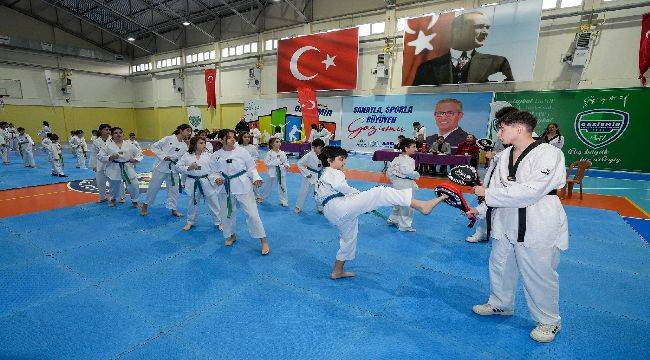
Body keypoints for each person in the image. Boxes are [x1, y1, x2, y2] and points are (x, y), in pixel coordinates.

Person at [465, 111, 567, 343]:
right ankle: (500, 304)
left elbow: (530, 192)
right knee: (500, 264)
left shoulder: (550, 154)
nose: (499, 132)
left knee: (539, 273)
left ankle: (549, 321)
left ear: (519, 128)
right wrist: (479, 211)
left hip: (538, 219)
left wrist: (487, 194)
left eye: (502, 128)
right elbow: (492, 188)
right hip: (506, 219)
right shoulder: (502, 156)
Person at [316, 146, 449, 279]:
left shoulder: (323, 174)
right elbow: (342, 187)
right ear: (329, 160)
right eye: (341, 159)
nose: (343, 162)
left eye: (344, 159)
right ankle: (421, 205)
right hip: (338, 206)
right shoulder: (333, 171)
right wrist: (361, 197)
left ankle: (337, 271)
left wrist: (363, 203)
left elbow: (329, 194)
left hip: (333, 211)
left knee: (349, 239)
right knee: (380, 192)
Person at [412, 11, 514, 85]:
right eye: (479, 26)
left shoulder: (498, 63)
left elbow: (508, 95)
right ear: (458, 30)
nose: (485, 32)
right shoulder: (427, 67)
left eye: (487, 27)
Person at [210, 129, 269, 256]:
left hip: (242, 184)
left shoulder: (242, 152)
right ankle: (231, 235)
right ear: (221, 140)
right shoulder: (216, 155)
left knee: (252, 214)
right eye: (229, 137)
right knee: (226, 214)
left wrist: (256, 178)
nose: (233, 139)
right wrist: (216, 178)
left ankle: (263, 240)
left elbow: (251, 168)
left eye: (233, 137)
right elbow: (212, 172)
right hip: (225, 187)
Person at [467, 105, 518, 243]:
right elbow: (494, 163)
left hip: (515, 205)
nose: (499, 133)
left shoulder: (529, 149)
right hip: (494, 177)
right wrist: (486, 183)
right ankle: (481, 233)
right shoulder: (502, 140)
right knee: (487, 205)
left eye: (502, 128)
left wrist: (496, 155)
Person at [140, 124, 192, 217]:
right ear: (180, 130)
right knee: (153, 187)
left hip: (174, 170)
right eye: (188, 130)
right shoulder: (168, 139)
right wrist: (163, 156)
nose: (189, 133)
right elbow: (154, 147)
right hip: (161, 168)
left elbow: (184, 158)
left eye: (190, 131)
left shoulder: (184, 145)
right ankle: (145, 206)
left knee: (174, 190)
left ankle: (173, 209)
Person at [177, 136, 222, 231]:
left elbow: (214, 169)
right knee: (192, 202)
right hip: (192, 181)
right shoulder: (186, 156)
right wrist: (189, 167)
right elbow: (178, 167)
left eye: (204, 143)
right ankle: (190, 222)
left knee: (213, 201)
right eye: (201, 143)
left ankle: (219, 221)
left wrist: (217, 178)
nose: (204, 145)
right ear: (194, 144)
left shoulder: (208, 156)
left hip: (206, 180)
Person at [98, 127, 142, 208]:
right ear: (112, 135)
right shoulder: (108, 146)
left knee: (134, 184)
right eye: (116, 133)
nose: (118, 134)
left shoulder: (129, 144)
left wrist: (135, 159)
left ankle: (135, 201)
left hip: (127, 166)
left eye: (120, 132)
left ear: (123, 134)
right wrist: (110, 157)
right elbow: (100, 156)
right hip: (114, 167)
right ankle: (112, 199)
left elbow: (139, 153)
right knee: (114, 185)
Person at [387, 138, 420, 232]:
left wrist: (394, 181)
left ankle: (393, 219)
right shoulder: (409, 160)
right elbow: (407, 171)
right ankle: (404, 226)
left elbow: (389, 172)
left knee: (397, 202)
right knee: (407, 205)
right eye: (413, 147)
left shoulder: (396, 158)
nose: (415, 149)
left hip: (397, 183)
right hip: (406, 184)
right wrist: (416, 174)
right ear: (406, 148)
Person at [295, 138, 325, 214]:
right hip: (309, 175)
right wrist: (307, 173)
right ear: (314, 147)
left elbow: (324, 166)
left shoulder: (323, 155)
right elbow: (299, 163)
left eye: (322, 148)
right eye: (319, 148)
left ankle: (320, 208)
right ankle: (298, 207)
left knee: (319, 193)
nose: (321, 149)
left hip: (318, 176)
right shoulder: (308, 155)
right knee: (303, 192)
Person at [261, 137, 290, 207]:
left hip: (281, 172)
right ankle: (262, 197)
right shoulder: (269, 153)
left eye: (279, 142)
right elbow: (266, 163)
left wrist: (287, 165)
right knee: (268, 186)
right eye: (277, 142)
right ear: (272, 144)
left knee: (283, 186)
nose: (279, 143)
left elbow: (286, 161)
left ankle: (284, 201)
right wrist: (276, 162)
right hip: (272, 172)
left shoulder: (282, 153)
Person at [92, 124, 113, 203]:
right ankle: (102, 197)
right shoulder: (96, 141)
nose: (108, 131)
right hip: (100, 164)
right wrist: (94, 165)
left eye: (109, 130)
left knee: (113, 182)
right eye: (106, 129)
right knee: (100, 182)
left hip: (112, 163)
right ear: (100, 131)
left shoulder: (113, 140)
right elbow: (93, 154)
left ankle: (114, 197)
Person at [238, 132, 262, 201]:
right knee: (241, 182)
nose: (247, 138)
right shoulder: (238, 147)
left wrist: (250, 160)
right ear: (241, 138)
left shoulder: (252, 147)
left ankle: (257, 196)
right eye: (245, 137)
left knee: (254, 181)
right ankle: (241, 196)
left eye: (248, 137)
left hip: (251, 167)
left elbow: (256, 156)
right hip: (241, 168)